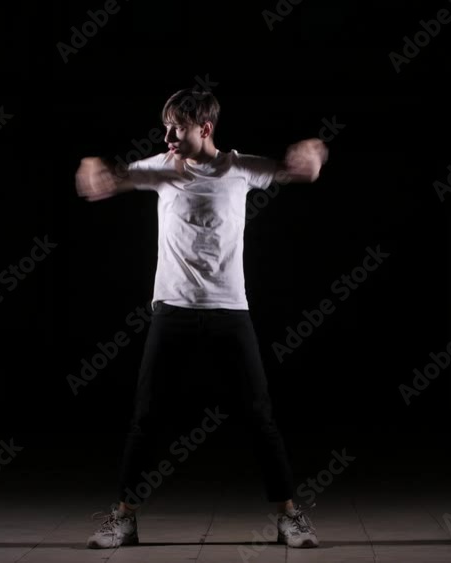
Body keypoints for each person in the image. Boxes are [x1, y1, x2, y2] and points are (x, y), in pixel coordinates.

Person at [75, 87, 328, 549]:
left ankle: (289, 518)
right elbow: (114, 177)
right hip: (172, 308)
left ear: (205, 128)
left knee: (260, 416)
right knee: (146, 416)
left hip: (229, 308)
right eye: (166, 127)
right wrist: (95, 169)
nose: (168, 136)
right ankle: (123, 521)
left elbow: (294, 170)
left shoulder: (239, 168)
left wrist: (311, 155)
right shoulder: (161, 168)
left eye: (177, 128)